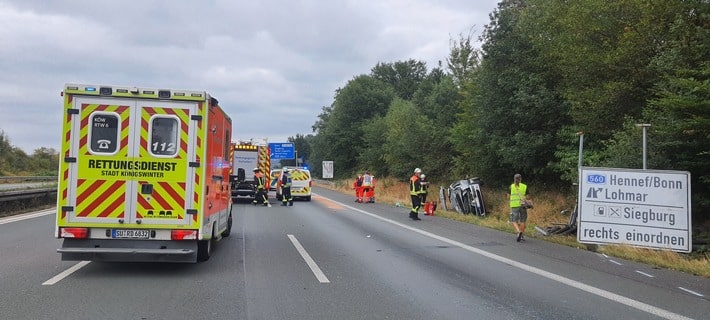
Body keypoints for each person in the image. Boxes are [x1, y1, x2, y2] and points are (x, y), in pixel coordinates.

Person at [507, 173, 531, 242]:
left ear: (514, 179)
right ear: (521, 179)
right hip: (523, 205)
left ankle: (518, 231)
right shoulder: (525, 186)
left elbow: (508, 197)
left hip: (514, 205)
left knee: (514, 220)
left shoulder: (511, 187)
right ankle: (522, 236)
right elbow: (528, 197)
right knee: (523, 220)